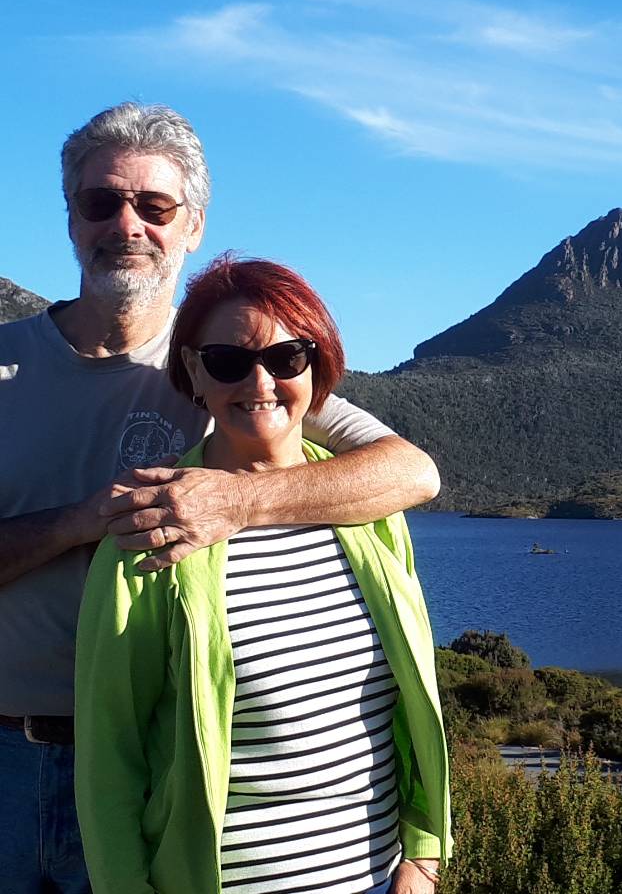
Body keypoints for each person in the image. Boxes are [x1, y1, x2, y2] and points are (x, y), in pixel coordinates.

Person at [0, 103, 441, 893]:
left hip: (164, 763)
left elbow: (408, 472)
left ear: (192, 224)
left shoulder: (232, 359)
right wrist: (80, 522)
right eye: (100, 202)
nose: (126, 224)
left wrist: (234, 505)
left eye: (154, 206)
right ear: (70, 218)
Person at [75, 255, 449, 894]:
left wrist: (423, 854)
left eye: (285, 359)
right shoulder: (155, 528)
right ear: (194, 371)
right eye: (228, 361)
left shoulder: (368, 513)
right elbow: (110, 756)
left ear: (319, 365)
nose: (260, 381)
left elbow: (409, 702)